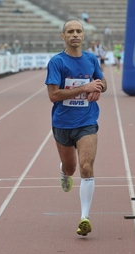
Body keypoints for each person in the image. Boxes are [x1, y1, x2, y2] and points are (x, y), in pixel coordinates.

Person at [45, 20, 107, 237]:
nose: (75, 34)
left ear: (83, 36)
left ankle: (84, 217)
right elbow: (53, 95)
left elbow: (102, 81)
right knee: (71, 169)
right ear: (63, 36)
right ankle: (64, 170)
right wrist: (84, 87)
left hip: (87, 121)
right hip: (62, 123)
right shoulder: (57, 62)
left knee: (86, 167)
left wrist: (98, 88)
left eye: (78, 31)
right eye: (70, 31)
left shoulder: (91, 59)